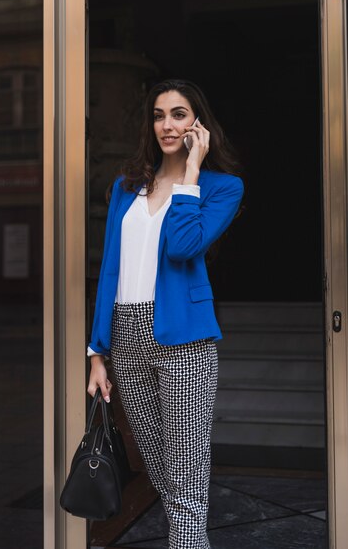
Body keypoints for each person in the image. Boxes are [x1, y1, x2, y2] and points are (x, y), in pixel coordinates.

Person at [87, 78, 244, 549]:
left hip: (184, 342)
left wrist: (191, 174)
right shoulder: (126, 186)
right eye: (158, 115)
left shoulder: (223, 188)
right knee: (159, 469)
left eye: (178, 114)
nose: (167, 125)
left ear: (199, 124)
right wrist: (97, 350)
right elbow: (109, 269)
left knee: (188, 477)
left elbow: (182, 246)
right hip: (126, 336)